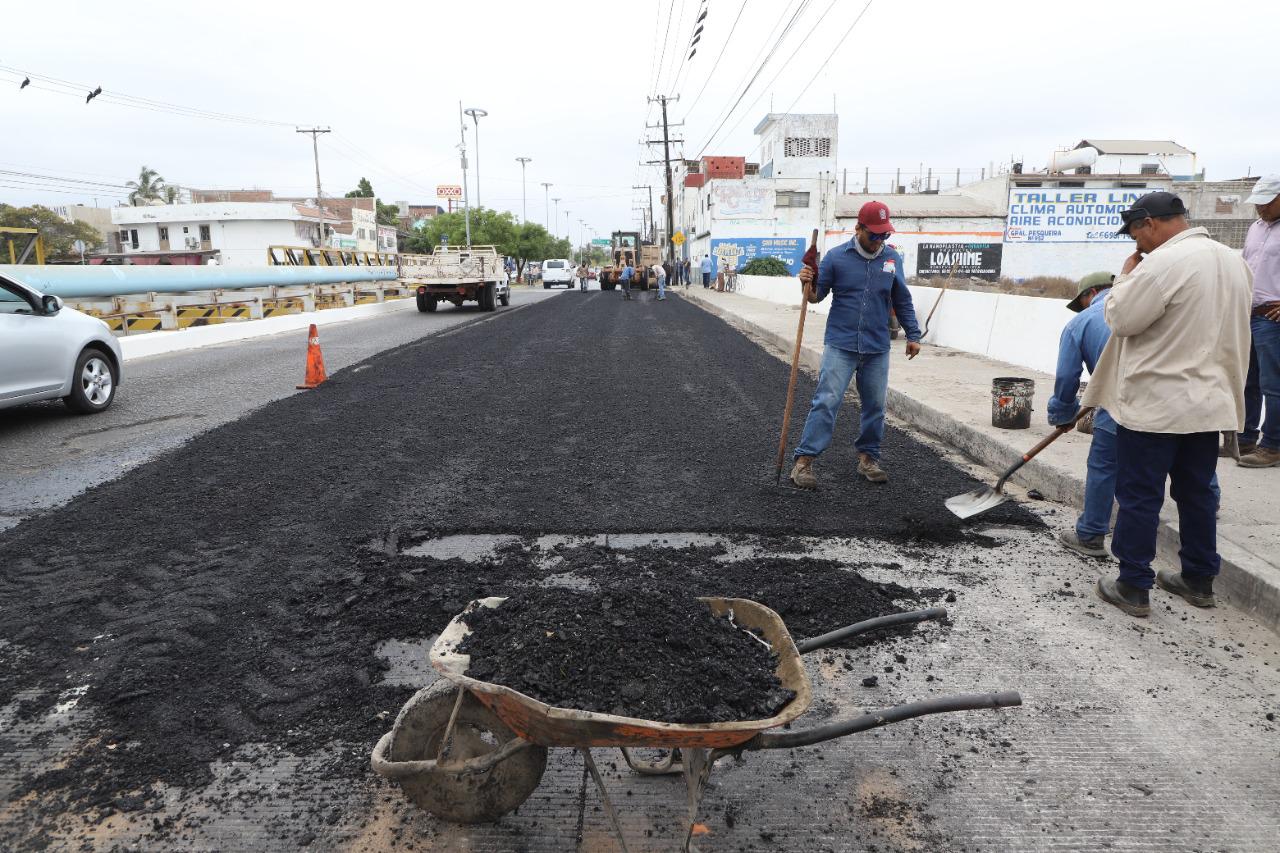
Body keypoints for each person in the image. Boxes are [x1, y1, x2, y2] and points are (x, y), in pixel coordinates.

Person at [1082, 192, 1252, 617]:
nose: (1137, 243)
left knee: (1140, 494)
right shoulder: (1234, 261)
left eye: (1137, 233)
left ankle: (1133, 585)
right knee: (1197, 494)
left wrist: (1124, 279)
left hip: (1158, 405)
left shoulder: (1162, 263)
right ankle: (1198, 579)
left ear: (1150, 224)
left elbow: (1121, 320)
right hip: (1210, 403)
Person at [790, 201, 922, 487]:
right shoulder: (837, 258)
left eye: (884, 235)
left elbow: (902, 299)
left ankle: (868, 459)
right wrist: (806, 283)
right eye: (874, 234)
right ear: (858, 229)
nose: (879, 241)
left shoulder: (892, 260)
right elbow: (815, 297)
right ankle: (804, 462)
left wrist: (913, 334)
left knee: (875, 405)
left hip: (877, 346)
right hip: (841, 343)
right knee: (826, 401)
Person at [1047, 272, 1116, 558]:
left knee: (1104, 465)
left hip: (1119, 402)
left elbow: (1066, 377)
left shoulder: (1081, 322)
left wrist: (1063, 413)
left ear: (1091, 293)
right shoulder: (1150, 306)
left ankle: (1090, 535)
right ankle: (1207, 507)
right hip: (1174, 400)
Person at [1238, 174, 1280, 468]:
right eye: (1257, 203)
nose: (1260, 208)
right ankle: (1244, 438)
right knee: (1245, 381)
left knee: (1272, 385)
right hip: (1247, 314)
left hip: (1272, 319)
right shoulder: (1255, 228)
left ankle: (1273, 445)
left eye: (1266, 203)